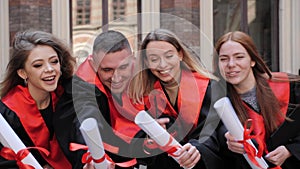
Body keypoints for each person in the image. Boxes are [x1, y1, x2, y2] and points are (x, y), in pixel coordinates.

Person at [129, 28, 224, 169]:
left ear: (180, 54)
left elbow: (212, 131)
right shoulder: (142, 95)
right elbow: (134, 145)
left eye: (169, 56)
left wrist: (196, 148)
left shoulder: (208, 88)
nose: (162, 65)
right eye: (154, 59)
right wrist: (148, 140)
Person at [53, 30, 146, 169]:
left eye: (123, 67)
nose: (116, 77)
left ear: (132, 60)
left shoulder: (148, 78)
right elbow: (85, 118)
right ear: (93, 64)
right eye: (107, 70)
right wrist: (92, 154)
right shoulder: (81, 88)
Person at [212, 30, 300, 169]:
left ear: (253, 60)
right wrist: (227, 140)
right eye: (223, 59)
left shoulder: (289, 86)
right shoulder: (215, 99)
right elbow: (211, 138)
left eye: (239, 57)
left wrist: (291, 150)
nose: (231, 64)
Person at [0, 30, 76, 168]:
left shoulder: (69, 98)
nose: (49, 69)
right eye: (38, 65)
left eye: (54, 62)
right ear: (23, 73)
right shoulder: (7, 114)